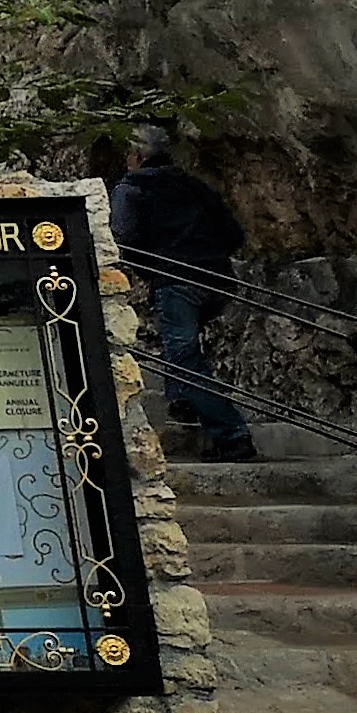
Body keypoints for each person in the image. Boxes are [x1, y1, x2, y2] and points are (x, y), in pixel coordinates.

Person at [110, 123, 255, 462]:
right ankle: (183, 402)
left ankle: (232, 435)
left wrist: (151, 265)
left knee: (184, 356)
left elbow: (122, 240)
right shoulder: (194, 186)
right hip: (217, 280)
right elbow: (233, 233)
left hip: (177, 281)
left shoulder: (131, 189)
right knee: (183, 347)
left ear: (137, 156)